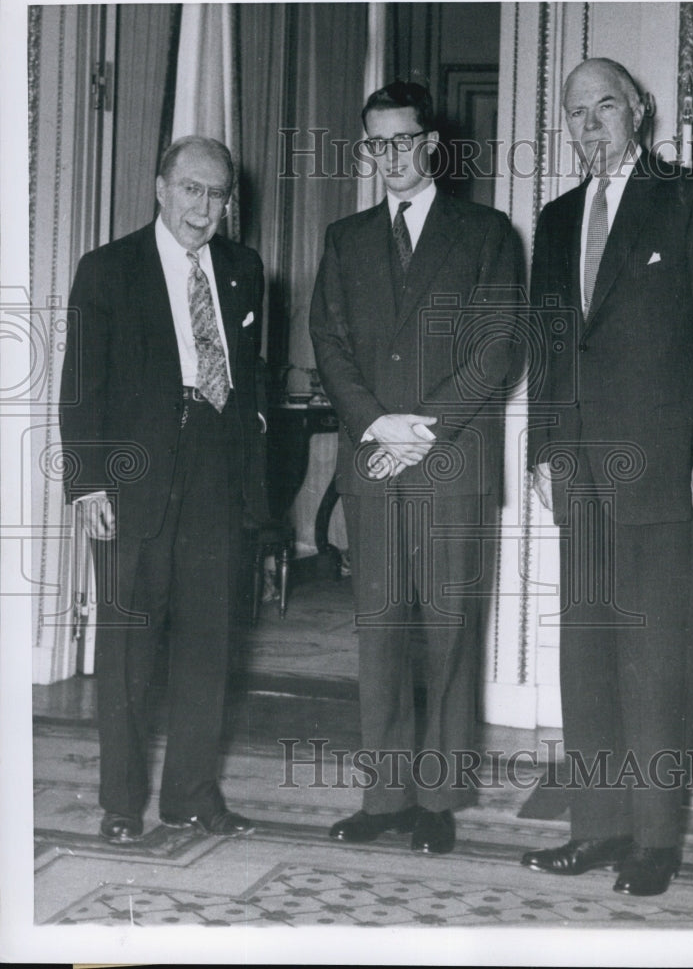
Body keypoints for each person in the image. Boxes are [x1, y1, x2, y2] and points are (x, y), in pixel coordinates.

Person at [522, 59, 693, 895]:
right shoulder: (554, 219)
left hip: (670, 473)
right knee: (587, 657)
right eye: (575, 113)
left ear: (641, 110)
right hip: (579, 472)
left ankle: (656, 843)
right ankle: (600, 828)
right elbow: (548, 342)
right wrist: (543, 447)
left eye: (605, 106)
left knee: (657, 661)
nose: (590, 126)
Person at [310, 81, 522, 855]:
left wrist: (422, 427)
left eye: (404, 140)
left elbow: (498, 346)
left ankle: (438, 799)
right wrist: (376, 422)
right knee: (379, 634)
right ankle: (385, 798)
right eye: (377, 143)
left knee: (449, 632)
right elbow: (327, 343)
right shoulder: (345, 237)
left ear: (431, 143)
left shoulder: (487, 232)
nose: (391, 156)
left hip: (450, 462)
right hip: (375, 460)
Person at [59, 135, 266, 843]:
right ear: (160, 188)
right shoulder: (107, 270)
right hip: (131, 474)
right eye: (191, 190)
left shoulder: (243, 270)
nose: (203, 208)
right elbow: (80, 387)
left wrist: (252, 476)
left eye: (217, 195)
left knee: (208, 642)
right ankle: (121, 805)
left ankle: (191, 795)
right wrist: (87, 482)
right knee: (126, 649)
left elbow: (250, 374)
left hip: (215, 467)